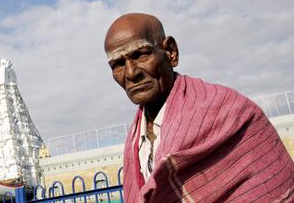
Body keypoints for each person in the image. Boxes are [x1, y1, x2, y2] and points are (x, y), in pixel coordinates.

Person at [104, 13, 294, 203]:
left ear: (171, 52)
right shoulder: (135, 139)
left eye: (141, 54)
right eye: (118, 64)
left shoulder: (231, 112)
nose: (131, 73)